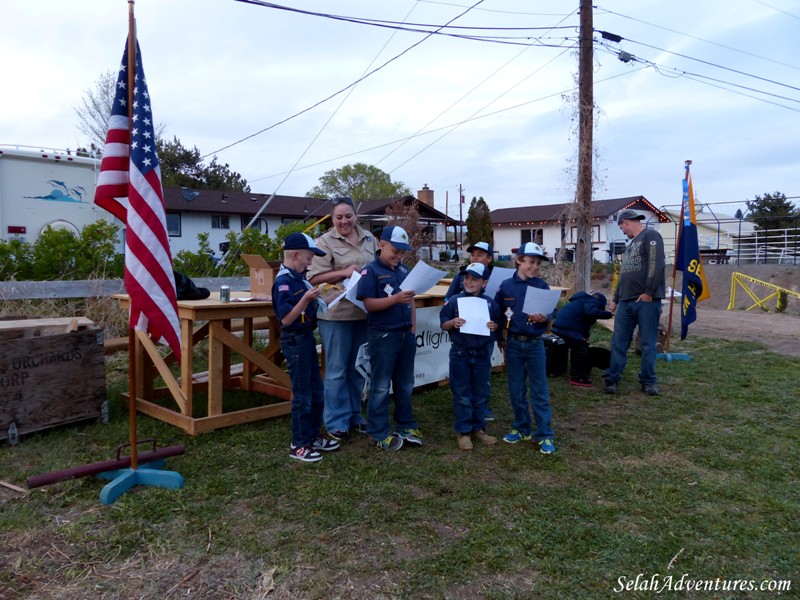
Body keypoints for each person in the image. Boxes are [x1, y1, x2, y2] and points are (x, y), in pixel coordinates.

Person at [308, 197, 378, 441]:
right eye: (339, 217)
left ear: (356, 215)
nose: (344, 221)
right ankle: (336, 421)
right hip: (336, 315)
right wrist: (344, 272)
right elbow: (313, 278)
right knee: (336, 369)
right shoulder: (324, 242)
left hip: (363, 312)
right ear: (332, 218)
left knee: (357, 368)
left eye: (348, 216)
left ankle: (354, 415)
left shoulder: (370, 239)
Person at [271, 232, 340, 463]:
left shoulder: (300, 278)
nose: (311, 261)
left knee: (316, 390)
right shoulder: (283, 282)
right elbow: (286, 320)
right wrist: (306, 299)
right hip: (294, 340)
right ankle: (299, 444)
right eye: (309, 257)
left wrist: (333, 297)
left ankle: (312, 436)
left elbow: (313, 308)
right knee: (303, 394)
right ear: (295, 254)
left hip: (307, 338)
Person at [356, 225, 422, 451]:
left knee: (405, 384)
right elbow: (369, 304)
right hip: (383, 335)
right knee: (381, 386)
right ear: (381, 244)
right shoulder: (371, 271)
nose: (399, 256)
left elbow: (410, 300)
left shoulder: (404, 270)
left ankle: (405, 424)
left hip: (405, 334)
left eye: (403, 252)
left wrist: (412, 330)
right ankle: (378, 432)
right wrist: (395, 299)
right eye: (395, 250)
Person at [495, 242, 557, 454]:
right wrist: (499, 338)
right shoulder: (505, 286)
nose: (535, 267)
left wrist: (545, 317)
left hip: (535, 344)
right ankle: (522, 428)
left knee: (539, 391)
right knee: (516, 389)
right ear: (519, 261)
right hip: (512, 344)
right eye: (531, 262)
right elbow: (497, 314)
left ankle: (545, 434)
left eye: (538, 263)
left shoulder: (541, 286)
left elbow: (551, 312)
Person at [604, 209, 666, 396]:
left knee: (648, 342)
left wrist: (648, 292)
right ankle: (612, 378)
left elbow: (657, 264)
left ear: (627, 222)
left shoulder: (651, 236)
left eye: (621, 226)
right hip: (625, 302)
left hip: (646, 301)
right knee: (618, 341)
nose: (622, 231)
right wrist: (615, 300)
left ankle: (648, 381)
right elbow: (624, 276)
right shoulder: (631, 246)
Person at [440, 263, 501, 451]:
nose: (469, 282)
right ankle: (464, 431)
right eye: (466, 278)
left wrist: (494, 326)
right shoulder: (455, 300)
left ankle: (478, 428)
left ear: (484, 282)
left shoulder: (490, 303)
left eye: (475, 279)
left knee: (480, 392)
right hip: (460, 353)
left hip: (482, 353)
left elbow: (497, 323)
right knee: (462, 393)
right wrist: (452, 322)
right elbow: (443, 324)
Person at [445, 241, 498, 421]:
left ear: (489, 258)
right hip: (462, 343)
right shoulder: (461, 279)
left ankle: (481, 411)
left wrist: (495, 326)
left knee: (482, 376)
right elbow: (448, 299)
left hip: (483, 341)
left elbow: (498, 313)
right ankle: (464, 414)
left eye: (480, 254)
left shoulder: (496, 279)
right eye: (473, 254)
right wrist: (452, 317)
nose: (475, 257)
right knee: (462, 380)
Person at [551, 290, 613, 387]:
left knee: (580, 346)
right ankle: (577, 377)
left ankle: (578, 372)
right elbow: (591, 312)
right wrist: (607, 314)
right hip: (568, 327)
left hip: (559, 326)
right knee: (579, 350)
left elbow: (584, 324)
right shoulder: (592, 301)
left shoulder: (582, 301)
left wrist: (585, 336)